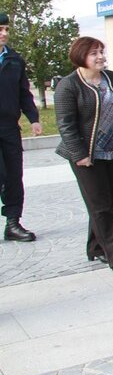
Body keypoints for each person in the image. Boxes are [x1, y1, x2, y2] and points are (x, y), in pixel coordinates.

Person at [54, 37, 113, 273]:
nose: (100, 57)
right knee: (101, 207)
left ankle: (95, 247)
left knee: (105, 203)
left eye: (101, 51)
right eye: (93, 53)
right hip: (86, 155)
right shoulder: (68, 86)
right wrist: (79, 154)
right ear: (80, 57)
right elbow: (65, 124)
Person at [0, 12, 42, 242]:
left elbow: (23, 93)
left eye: (6, 28)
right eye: (0, 29)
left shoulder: (14, 60)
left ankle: (13, 223)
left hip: (8, 128)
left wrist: (33, 118)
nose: (4, 33)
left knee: (14, 176)